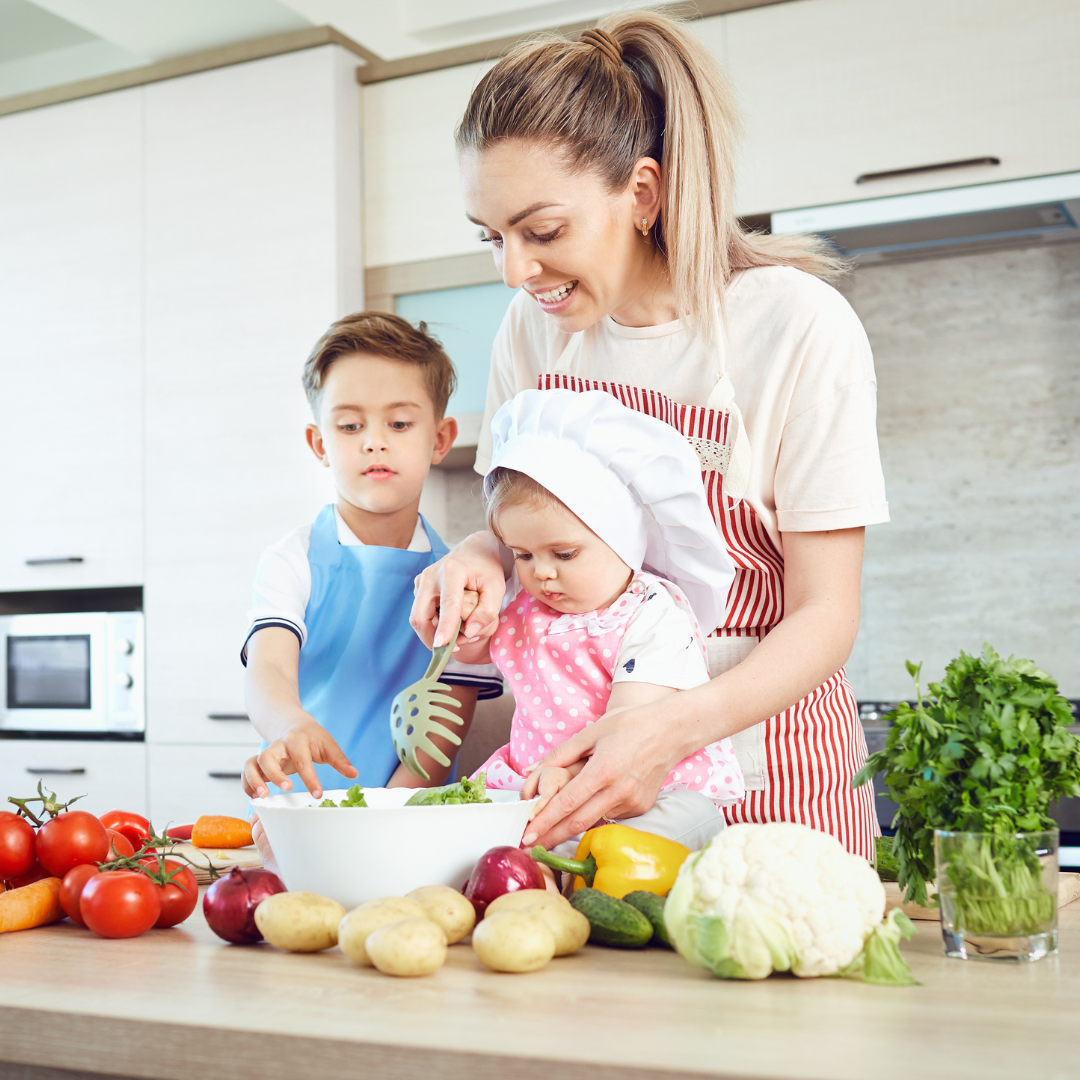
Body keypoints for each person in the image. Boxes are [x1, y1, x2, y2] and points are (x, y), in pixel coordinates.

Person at [411, 11, 888, 859]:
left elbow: (825, 614)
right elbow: (515, 516)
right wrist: (480, 556)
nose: (516, 272)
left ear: (642, 192)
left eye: (543, 232)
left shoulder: (794, 326)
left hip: (767, 772)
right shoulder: (532, 330)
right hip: (582, 782)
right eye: (493, 238)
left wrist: (670, 730)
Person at [452, 389, 744, 853]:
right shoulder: (527, 609)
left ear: (622, 538)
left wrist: (572, 778)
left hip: (641, 791)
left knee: (686, 820)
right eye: (522, 554)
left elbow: (632, 717)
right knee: (467, 831)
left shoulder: (652, 613)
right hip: (537, 785)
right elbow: (475, 653)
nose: (541, 571)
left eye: (563, 554)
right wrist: (465, 626)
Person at [241, 313, 503, 805]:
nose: (374, 440)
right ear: (320, 444)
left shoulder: (461, 584)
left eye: (399, 423)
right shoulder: (292, 560)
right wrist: (290, 723)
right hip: (294, 812)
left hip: (401, 814)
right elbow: (268, 669)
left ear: (440, 439)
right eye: (349, 425)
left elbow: (443, 732)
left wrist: (382, 815)